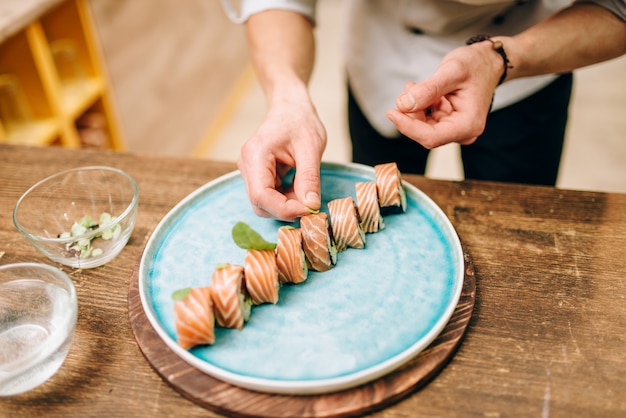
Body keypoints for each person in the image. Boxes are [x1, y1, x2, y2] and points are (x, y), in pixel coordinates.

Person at [221, 0, 626, 221]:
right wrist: (287, 93)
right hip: (382, 53)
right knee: (376, 213)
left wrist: (503, 57)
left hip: (532, 52)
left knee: (516, 228)